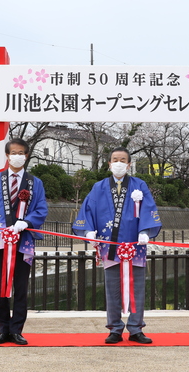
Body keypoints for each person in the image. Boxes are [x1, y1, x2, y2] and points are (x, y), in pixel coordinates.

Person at [73, 147, 162, 344]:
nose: (119, 163)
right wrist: (88, 230)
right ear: (109, 163)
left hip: (135, 245)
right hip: (109, 246)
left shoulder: (140, 185)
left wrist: (145, 231)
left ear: (129, 164)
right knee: (112, 288)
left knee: (137, 287)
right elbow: (88, 208)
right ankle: (114, 328)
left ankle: (136, 328)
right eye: (115, 159)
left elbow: (149, 208)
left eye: (123, 160)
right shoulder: (99, 187)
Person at [0, 138, 48, 346]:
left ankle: (17, 330)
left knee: (21, 287)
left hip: (23, 242)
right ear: (7, 156)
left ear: (27, 155)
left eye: (21, 152)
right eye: (13, 152)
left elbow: (41, 209)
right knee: (1, 286)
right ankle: (2, 329)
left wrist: (27, 222)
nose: (17, 156)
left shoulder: (35, 183)